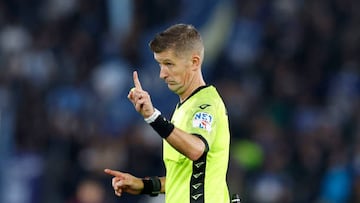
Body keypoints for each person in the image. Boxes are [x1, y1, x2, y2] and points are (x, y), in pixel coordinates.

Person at [104, 23, 231, 203]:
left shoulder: (205, 104)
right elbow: (185, 177)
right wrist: (143, 185)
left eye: (169, 64)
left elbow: (197, 150)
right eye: (160, 64)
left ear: (194, 62)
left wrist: (152, 116)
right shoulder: (184, 108)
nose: (162, 74)